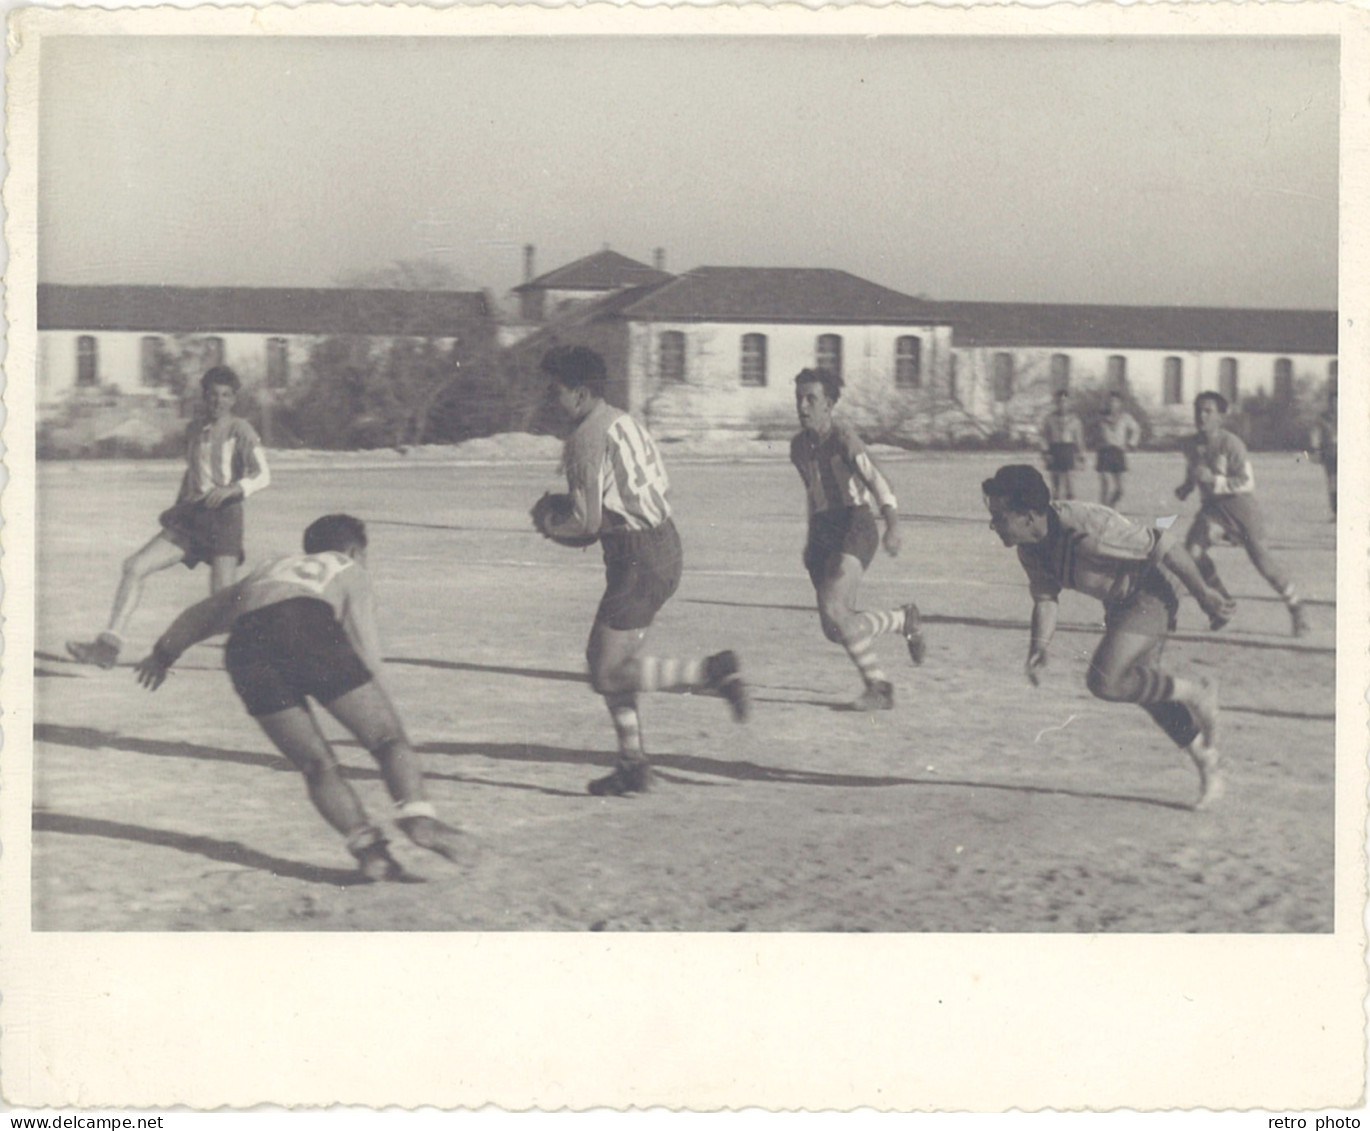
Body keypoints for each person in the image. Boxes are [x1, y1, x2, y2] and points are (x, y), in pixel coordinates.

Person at [133, 514, 469, 881]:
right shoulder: (347, 567)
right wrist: (367, 694)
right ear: (355, 550)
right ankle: (419, 819)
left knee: (316, 764)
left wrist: (162, 656)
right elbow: (366, 648)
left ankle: (370, 852)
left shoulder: (270, 569)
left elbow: (199, 615)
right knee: (386, 739)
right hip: (306, 626)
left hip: (244, 649)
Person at [538, 345, 749, 797]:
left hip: (636, 557)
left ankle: (710, 671)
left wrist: (552, 524)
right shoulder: (621, 419)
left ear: (580, 393)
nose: (549, 398)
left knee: (605, 672)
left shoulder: (582, 439)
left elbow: (588, 525)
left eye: (555, 389)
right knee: (615, 664)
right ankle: (632, 763)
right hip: (664, 544)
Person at [982, 465, 1235, 810]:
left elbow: (1166, 544)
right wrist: (1039, 646)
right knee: (1144, 689)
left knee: (1105, 680)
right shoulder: (1029, 547)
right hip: (1120, 603)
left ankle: (1197, 693)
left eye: (999, 516)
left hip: (1153, 589)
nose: (993, 524)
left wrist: (1205, 596)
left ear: (1027, 516)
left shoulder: (1087, 528)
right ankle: (1208, 763)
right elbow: (1045, 599)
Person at [67, 366, 271, 669]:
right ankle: (107, 647)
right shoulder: (194, 429)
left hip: (224, 520)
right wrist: (179, 509)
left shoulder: (240, 429)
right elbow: (194, 473)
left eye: (226, 395)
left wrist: (233, 490)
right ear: (204, 396)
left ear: (234, 399)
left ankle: (264, 651)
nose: (219, 401)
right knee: (135, 566)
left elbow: (263, 475)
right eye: (213, 394)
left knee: (222, 601)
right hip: (191, 518)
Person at [790, 367, 924, 712]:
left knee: (836, 608)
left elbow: (879, 482)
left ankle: (879, 687)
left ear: (829, 404)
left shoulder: (844, 439)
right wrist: (809, 539)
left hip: (855, 524)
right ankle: (901, 619)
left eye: (811, 399)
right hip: (823, 531)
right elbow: (813, 493)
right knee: (835, 628)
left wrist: (892, 524)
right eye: (799, 398)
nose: (803, 406)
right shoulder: (797, 447)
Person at [1175, 392, 1309, 637]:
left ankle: (1297, 609)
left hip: (1241, 510)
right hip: (1213, 511)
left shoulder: (1231, 444)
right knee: (1192, 553)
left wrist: (1214, 481)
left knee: (1264, 565)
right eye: (1198, 410)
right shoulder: (1191, 444)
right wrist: (1186, 487)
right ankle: (1223, 606)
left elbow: (1246, 483)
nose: (1201, 416)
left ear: (1221, 416)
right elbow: (1194, 470)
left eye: (1208, 411)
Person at [1095, 391, 1142, 508]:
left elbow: (1136, 430)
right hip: (1104, 452)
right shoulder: (1101, 418)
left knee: (1120, 489)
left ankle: (1110, 506)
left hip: (1118, 452)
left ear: (1120, 404)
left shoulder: (1125, 418)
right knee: (1106, 484)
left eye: (1116, 402)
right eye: (1110, 402)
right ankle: (1103, 509)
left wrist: (1131, 444)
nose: (1113, 404)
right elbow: (1094, 433)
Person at [1038, 389, 1085, 501]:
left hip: (1068, 450)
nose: (1062, 405)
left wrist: (1081, 455)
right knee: (1056, 487)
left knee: (1070, 486)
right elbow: (1043, 437)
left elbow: (1079, 439)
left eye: (1065, 401)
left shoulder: (1075, 420)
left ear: (1069, 403)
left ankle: (1071, 512)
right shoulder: (1049, 419)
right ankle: (1055, 513)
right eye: (1059, 402)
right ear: (1056, 403)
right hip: (1055, 450)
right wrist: (1046, 453)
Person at [1310, 381, 1337, 520]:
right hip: (1330, 454)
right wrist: (1316, 449)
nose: (1335, 405)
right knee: (1332, 483)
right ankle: (1335, 511)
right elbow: (1316, 433)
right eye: (1333, 402)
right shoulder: (1323, 417)